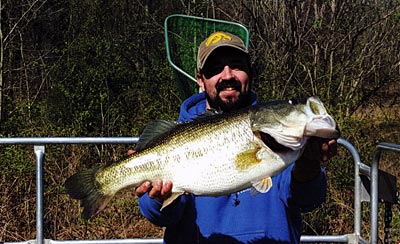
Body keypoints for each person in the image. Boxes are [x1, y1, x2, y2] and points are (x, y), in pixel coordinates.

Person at [135, 31, 337, 244]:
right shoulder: (178, 134)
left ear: (251, 73)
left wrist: (309, 165)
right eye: (215, 69)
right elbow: (160, 216)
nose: (228, 75)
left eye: (237, 66)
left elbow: (308, 200)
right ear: (200, 80)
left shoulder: (277, 132)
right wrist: (158, 199)